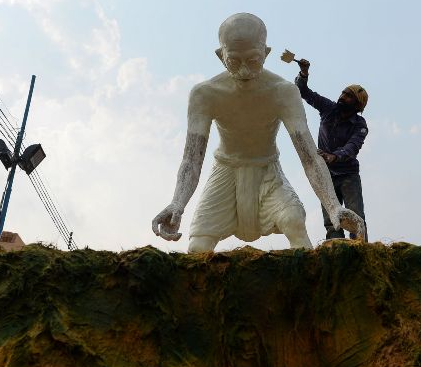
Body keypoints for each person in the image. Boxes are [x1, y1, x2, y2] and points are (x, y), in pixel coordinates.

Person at [151, 13, 365, 252]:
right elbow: (192, 158)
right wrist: (177, 204)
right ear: (221, 56)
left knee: (294, 222)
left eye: (253, 60)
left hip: (268, 174)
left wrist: (333, 206)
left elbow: (309, 157)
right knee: (198, 247)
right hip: (225, 172)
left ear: (266, 53)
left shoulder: (283, 92)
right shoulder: (205, 94)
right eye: (234, 61)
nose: (244, 71)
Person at [292, 55, 369, 241]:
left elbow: (353, 146)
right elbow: (303, 92)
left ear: (357, 104)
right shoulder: (329, 109)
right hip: (325, 174)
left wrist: (334, 156)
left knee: (356, 218)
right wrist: (304, 73)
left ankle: (362, 251)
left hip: (348, 175)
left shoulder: (360, 124)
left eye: (349, 96)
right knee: (331, 221)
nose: (342, 97)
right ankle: (335, 250)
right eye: (343, 93)